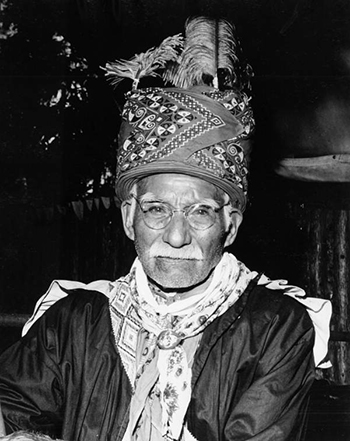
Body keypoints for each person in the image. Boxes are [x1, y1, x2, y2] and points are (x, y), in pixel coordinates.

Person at [0, 16, 331, 441]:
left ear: (230, 226)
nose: (176, 237)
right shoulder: (74, 321)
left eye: (200, 213)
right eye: (157, 209)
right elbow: (13, 404)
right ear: (128, 218)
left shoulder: (275, 328)